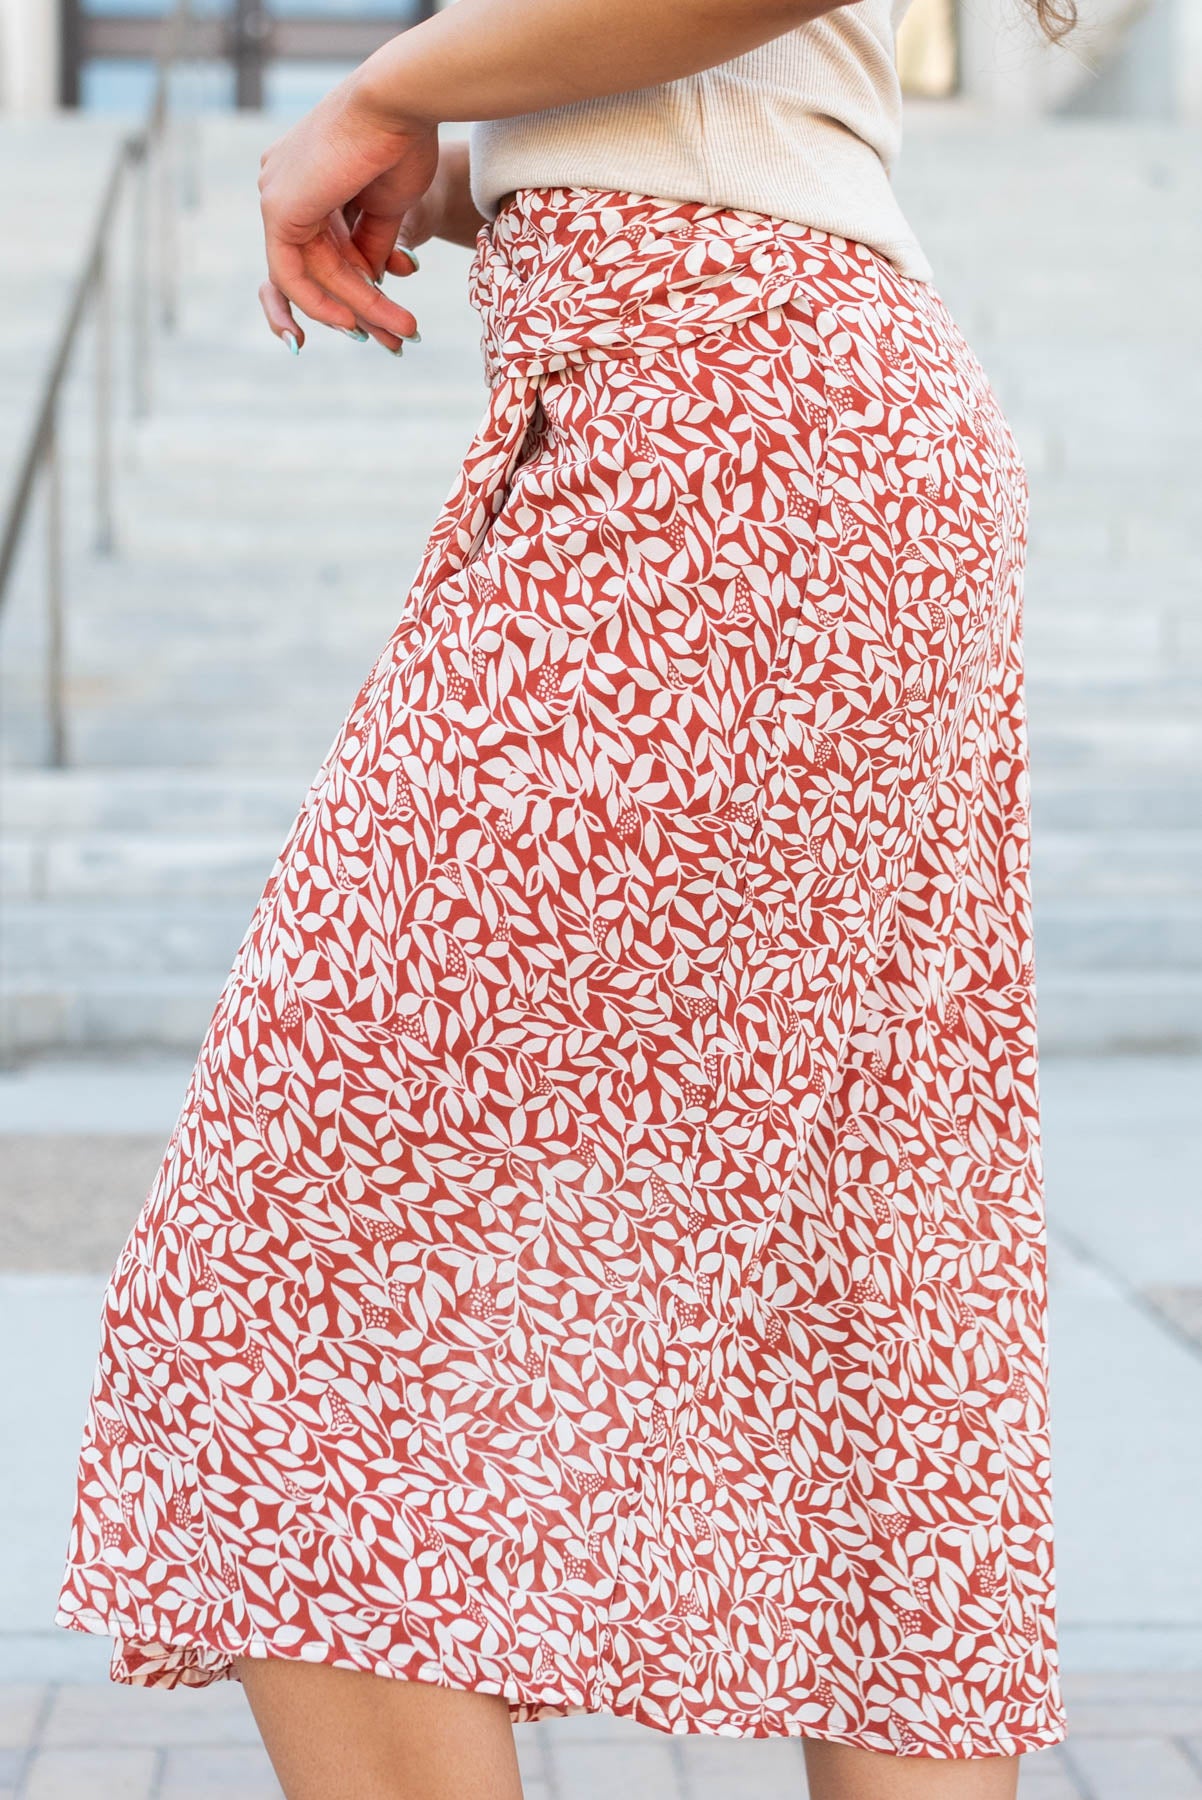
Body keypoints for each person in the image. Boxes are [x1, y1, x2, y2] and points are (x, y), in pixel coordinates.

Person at [54, 0, 1079, 1793]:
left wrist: (392, 83)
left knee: (291, 1275)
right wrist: (469, 161)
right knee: (871, 1268)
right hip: (794, 425)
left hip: (728, 437)